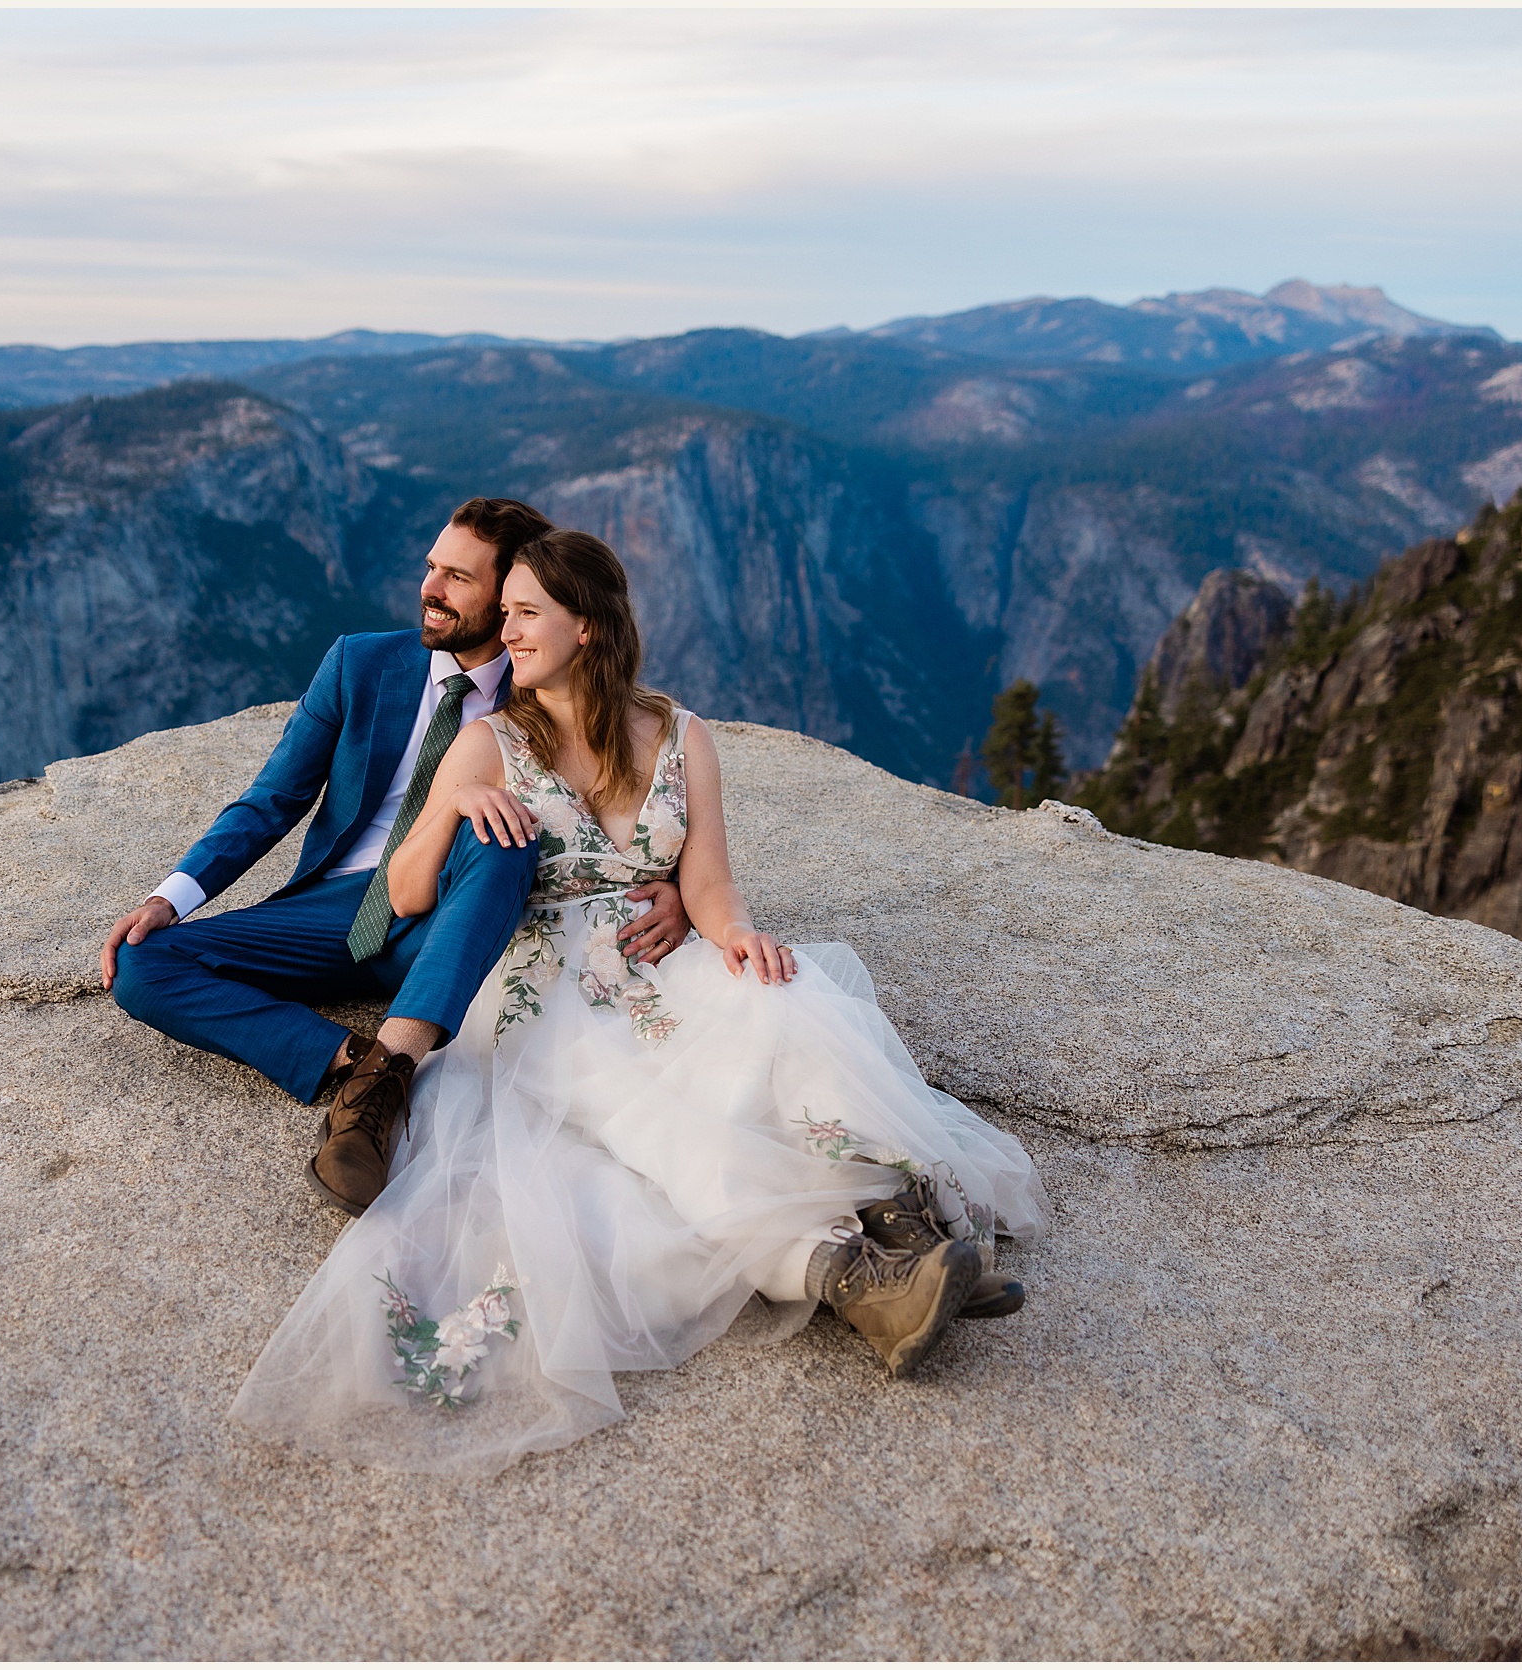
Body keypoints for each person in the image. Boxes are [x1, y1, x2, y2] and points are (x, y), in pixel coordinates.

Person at [229, 529, 1049, 1477]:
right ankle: (859, 1282)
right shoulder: (488, 739)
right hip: (546, 984)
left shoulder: (678, 733)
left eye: (528, 612)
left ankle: (908, 1232)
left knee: (786, 1008)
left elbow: (708, 882)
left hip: (661, 954)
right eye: (508, 612)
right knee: (654, 1123)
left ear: (588, 627)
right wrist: (453, 810)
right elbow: (408, 897)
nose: (508, 628)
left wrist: (736, 935)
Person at [102, 499, 691, 1216]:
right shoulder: (359, 663)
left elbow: (629, 799)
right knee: (141, 963)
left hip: (463, 912)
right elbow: (271, 801)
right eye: (431, 568)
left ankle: (379, 1093)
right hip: (338, 906)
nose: (430, 589)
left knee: (500, 829)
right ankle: (365, 1068)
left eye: (458, 578)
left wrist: (675, 888)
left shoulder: (549, 679)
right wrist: (171, 897)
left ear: (511, 598)